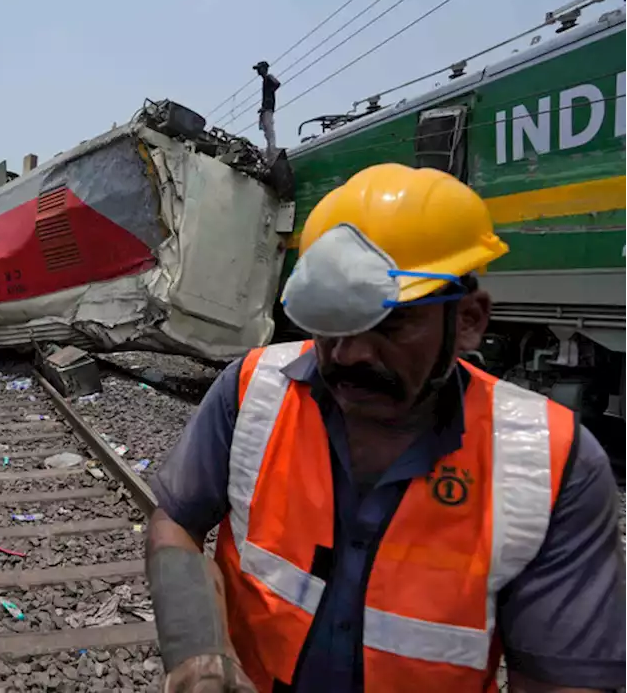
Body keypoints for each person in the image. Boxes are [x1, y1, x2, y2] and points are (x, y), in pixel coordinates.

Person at [146, 163, 626, 693]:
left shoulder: (552, 462)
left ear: (468, 319)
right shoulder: (254, 390)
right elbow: (177, 522)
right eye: (332, 321)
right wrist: (197, 654)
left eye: (391, 324)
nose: (350, 353)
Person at [253, 61, 280, 160]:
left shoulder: (268, 77)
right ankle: (270, 149)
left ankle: (272, 149)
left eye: (259, 69)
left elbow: (277, 83)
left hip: (268, 108)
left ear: (264, 69)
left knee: (269, 129)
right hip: (265, 108)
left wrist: (268, 100)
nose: (258, 71)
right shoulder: (264, 80)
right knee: (266, 130)